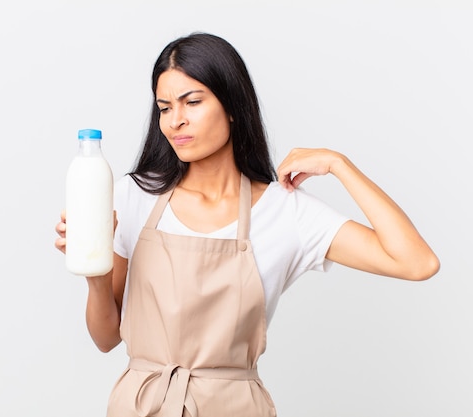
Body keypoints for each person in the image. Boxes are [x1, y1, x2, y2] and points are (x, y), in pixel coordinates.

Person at [54, 32, 439, 417]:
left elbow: (417, 262)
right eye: (165, 107)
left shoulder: (284, 212)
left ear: (232, 106)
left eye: (193, 102)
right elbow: (106, 338)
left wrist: (339, 165)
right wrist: (95, 272)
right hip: (140, 407)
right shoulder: (132, 196)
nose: (176, 121)